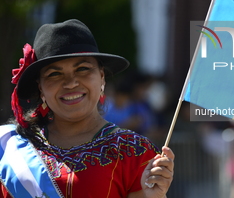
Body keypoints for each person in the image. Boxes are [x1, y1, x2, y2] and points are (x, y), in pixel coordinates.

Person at [0, 19, 174, 198]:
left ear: (101, 77)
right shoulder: (9, 148)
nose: (71, 82)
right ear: (40, 88)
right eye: (54, 74)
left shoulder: (136, 152)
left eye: (82, 69)